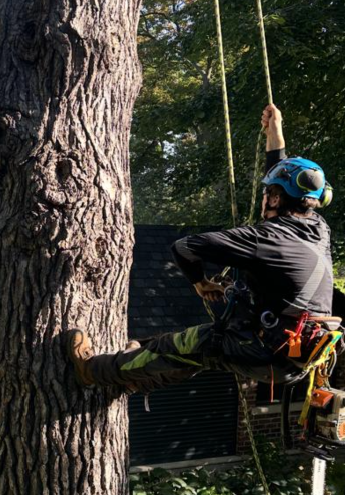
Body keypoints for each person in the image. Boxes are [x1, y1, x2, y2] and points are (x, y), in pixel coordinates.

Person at [66, 105, 339, 394]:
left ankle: (92, 370)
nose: (264, 197)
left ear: (273, 199)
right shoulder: (319, 229)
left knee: (177, 345)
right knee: (201, 350)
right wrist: (275, 132)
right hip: (296, 359)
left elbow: (185, 248)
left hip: (264, 352)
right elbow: (282, 179)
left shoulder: (266, 237)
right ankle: (137, 379)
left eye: (267, 192)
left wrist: (200, 282)